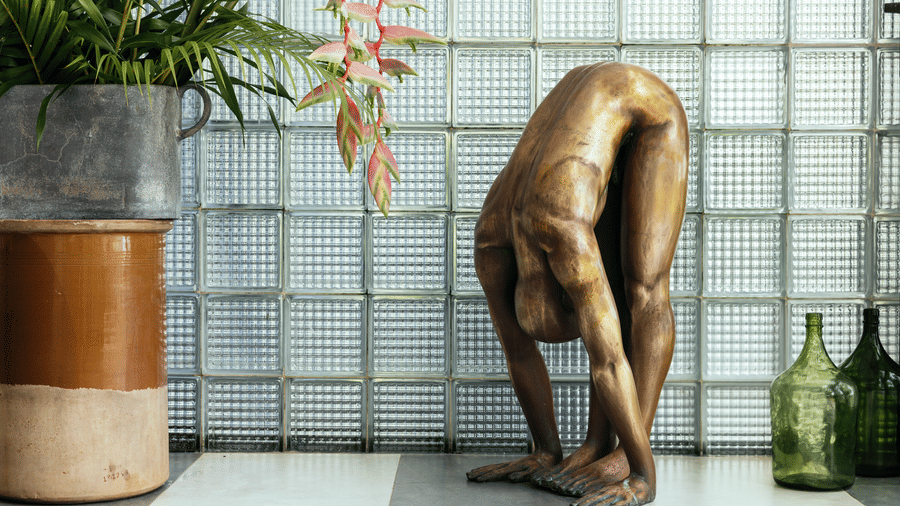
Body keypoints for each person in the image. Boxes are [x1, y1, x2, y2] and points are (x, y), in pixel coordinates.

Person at [466, 62, 689, 506]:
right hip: (579, 110)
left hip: (650, 112)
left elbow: (606, 361)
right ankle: (588, 447)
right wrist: (544, 450)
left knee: (643, 290)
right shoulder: (490, 244)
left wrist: (642, 478)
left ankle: (628, 455)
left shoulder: (563, 232)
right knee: (617, 297)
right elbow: (518, 350)